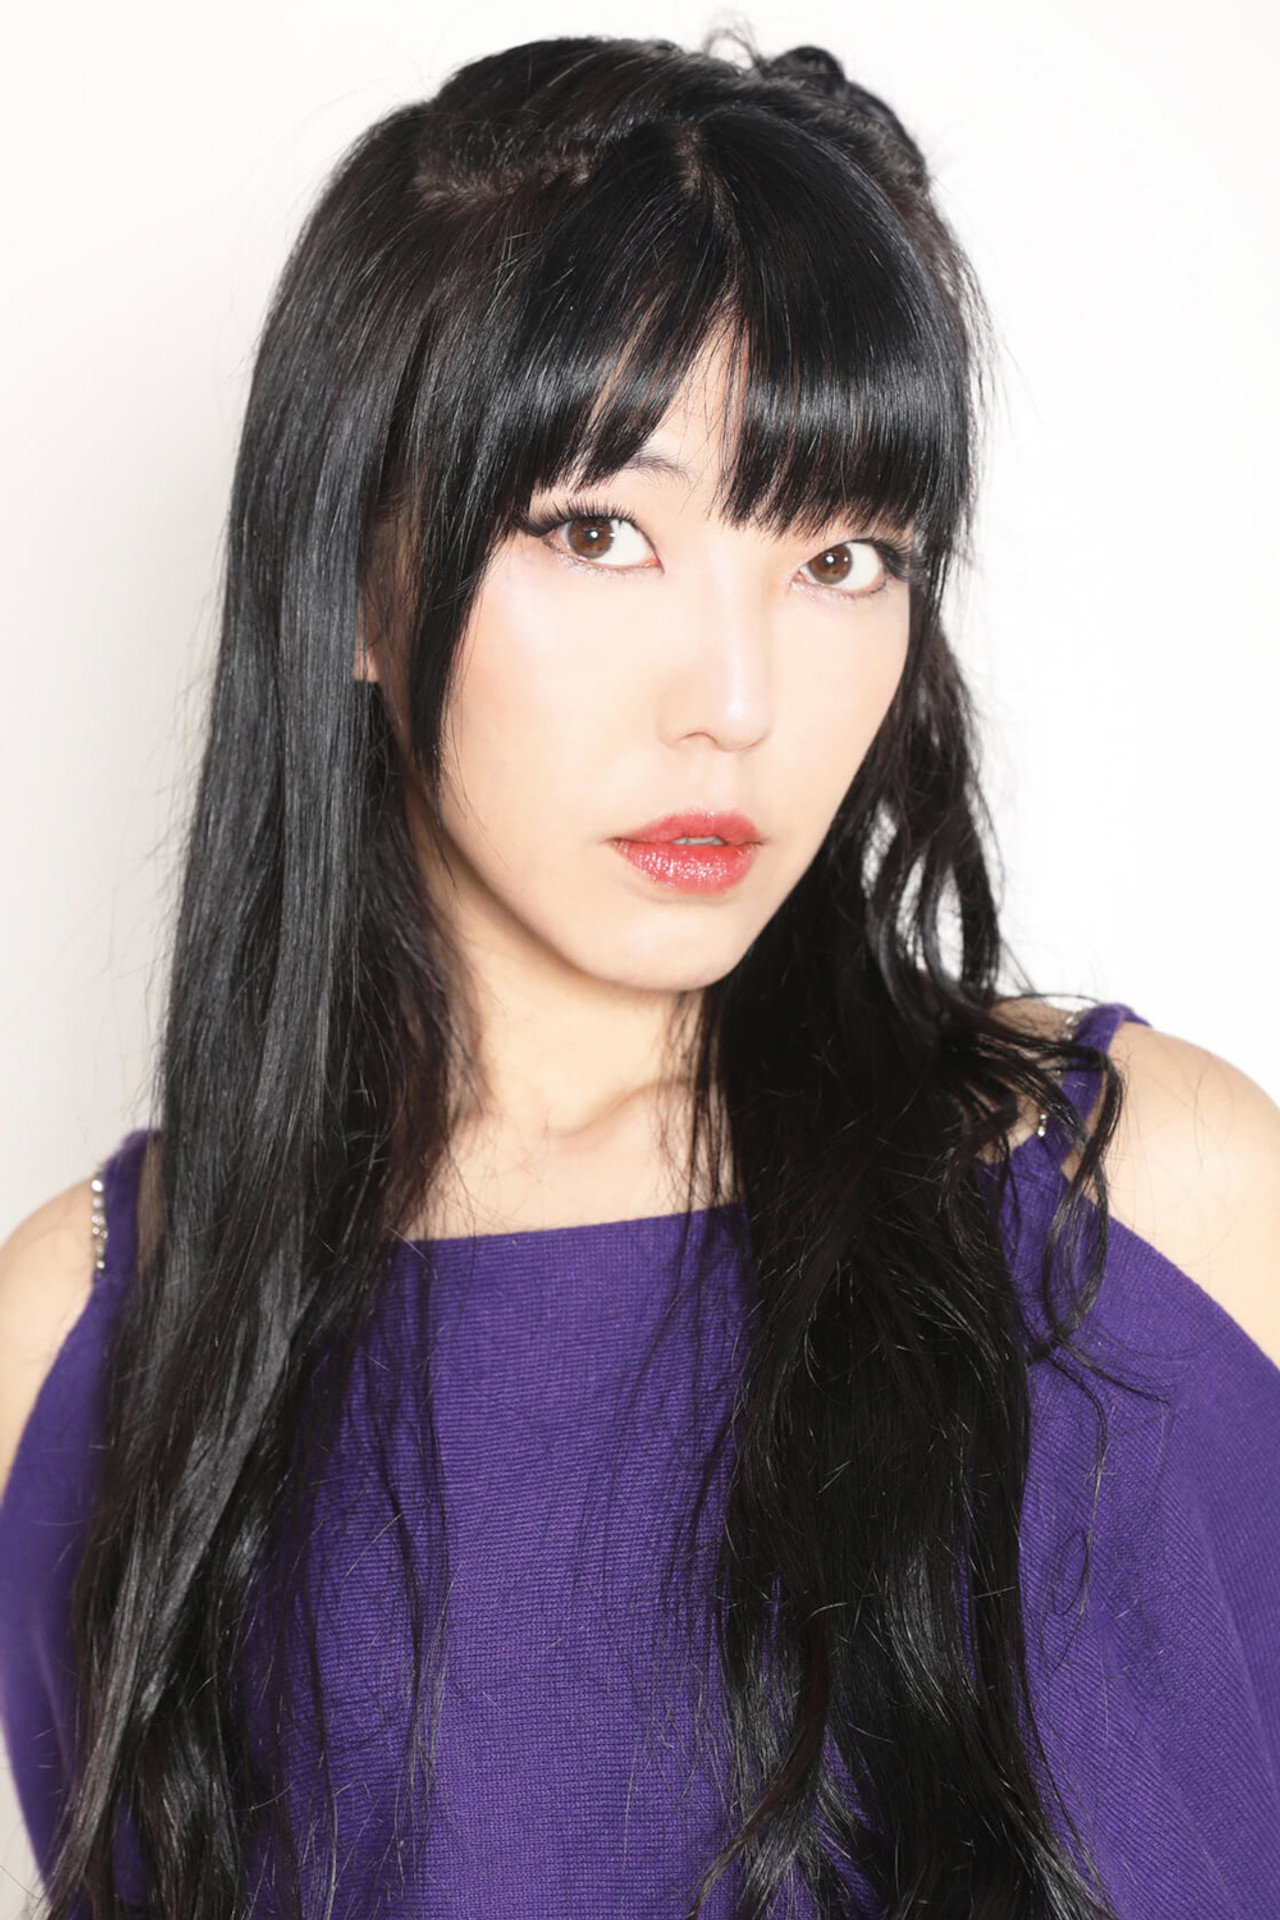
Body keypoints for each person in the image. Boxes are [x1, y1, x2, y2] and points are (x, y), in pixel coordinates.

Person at [1, 26, 1277, 1920]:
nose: (739, 704)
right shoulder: (85, 1347)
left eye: (843, 558)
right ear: (355, 577)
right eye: (601, 532)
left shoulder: (1144, 1196)